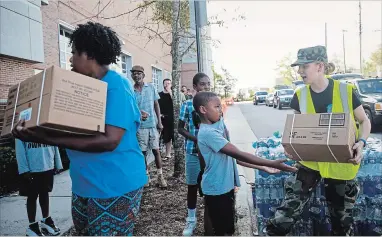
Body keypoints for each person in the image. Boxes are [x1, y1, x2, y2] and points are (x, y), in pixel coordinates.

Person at [12, 22, 147, 236]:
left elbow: (109, 140)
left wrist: (49, 138)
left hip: (115, 184)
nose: (70, 59)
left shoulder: (116, 86)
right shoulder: (83, 87)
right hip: (85, 183)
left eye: (74, 53)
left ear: (89, 55)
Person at [266, 45, 371, 236]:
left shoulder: (345, 91)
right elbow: (296, 128)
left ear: (320, 67)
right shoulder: (300, 94)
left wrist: (361, 143)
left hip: (341, 163)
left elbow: (364, 121)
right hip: (310, 162)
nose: (299, 71)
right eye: (298, 67)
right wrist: (291, 147)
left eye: (304, 66)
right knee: (286, 212)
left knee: (341, 220)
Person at [193, 91, 297, 236]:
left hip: (224, 187)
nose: (220, 110)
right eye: (216, 107)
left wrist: (262, 167)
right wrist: (273, 163)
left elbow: (233, 158)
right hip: (216, 189)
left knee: (228, 228)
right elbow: (238, 153)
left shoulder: (216, 127)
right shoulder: (208, 134)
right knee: (222, 230)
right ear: (203, 110)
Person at [178, 73, 210, 236]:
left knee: (210, 186)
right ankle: (191, 220)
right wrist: (196, 139)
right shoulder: (188, 105)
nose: (206, 87)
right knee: (192, 186)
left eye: (208, 84)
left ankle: (210, 219)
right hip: (193, 152)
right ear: (196, 86)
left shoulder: (213, 105)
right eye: (203, 84)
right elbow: (180, 128)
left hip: (211, 154)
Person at [15, 140, 62, 236]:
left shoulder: (46, 125)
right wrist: (24, 169)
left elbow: (54, 142)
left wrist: (58, 163)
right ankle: (32, 226)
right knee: (32, 196)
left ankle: (46, 220)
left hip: (47, 165)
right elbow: (20, 150)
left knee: (45, 193)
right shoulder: (23, 127)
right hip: (32, 169)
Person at [133, 65, 167, 188]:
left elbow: (156, 104)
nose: (136, 75)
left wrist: (159, 121)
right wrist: (138, 114)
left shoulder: (151, 87)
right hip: (140, 126)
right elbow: (131, 109)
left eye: (139, 73)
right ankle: (146, 176)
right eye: (134, 73)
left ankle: (160, 176)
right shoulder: (132, 91)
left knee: (156, 150)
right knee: (142, 153)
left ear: (143, 75)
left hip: (152, 125)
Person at [158, 78, 174, 160]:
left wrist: (170, 91)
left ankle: (168, 154)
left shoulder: (173, 94)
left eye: (169, 83)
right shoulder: (159, 94)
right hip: (160, 117)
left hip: (170, 118)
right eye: (165, 83)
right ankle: (158, 154)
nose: (167, 84)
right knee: (159, 136)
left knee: (168, 136)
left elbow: (175, 102)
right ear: (163, 84)